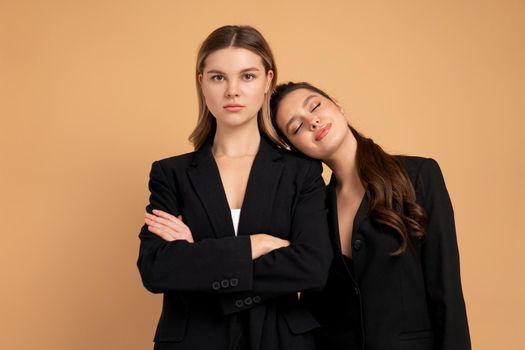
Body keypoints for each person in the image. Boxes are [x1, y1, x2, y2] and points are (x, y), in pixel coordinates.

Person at [136, 27, 332, 350]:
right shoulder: (170, 174)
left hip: (280, 340)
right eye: (218, 77)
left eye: (248, 76)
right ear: (201, 82)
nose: (233, 91)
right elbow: (156, 268)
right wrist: (252, 246)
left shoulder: (303, 172)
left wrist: (197, 253)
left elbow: (312, 267)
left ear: (268, 80)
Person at [270, 81, 471, 350]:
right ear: (294, 148)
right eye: (296, 127)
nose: (313, 122)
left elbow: (446, 291)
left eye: (315, 106)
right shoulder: (313, 210)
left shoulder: (418, 175)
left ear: (336, 104)